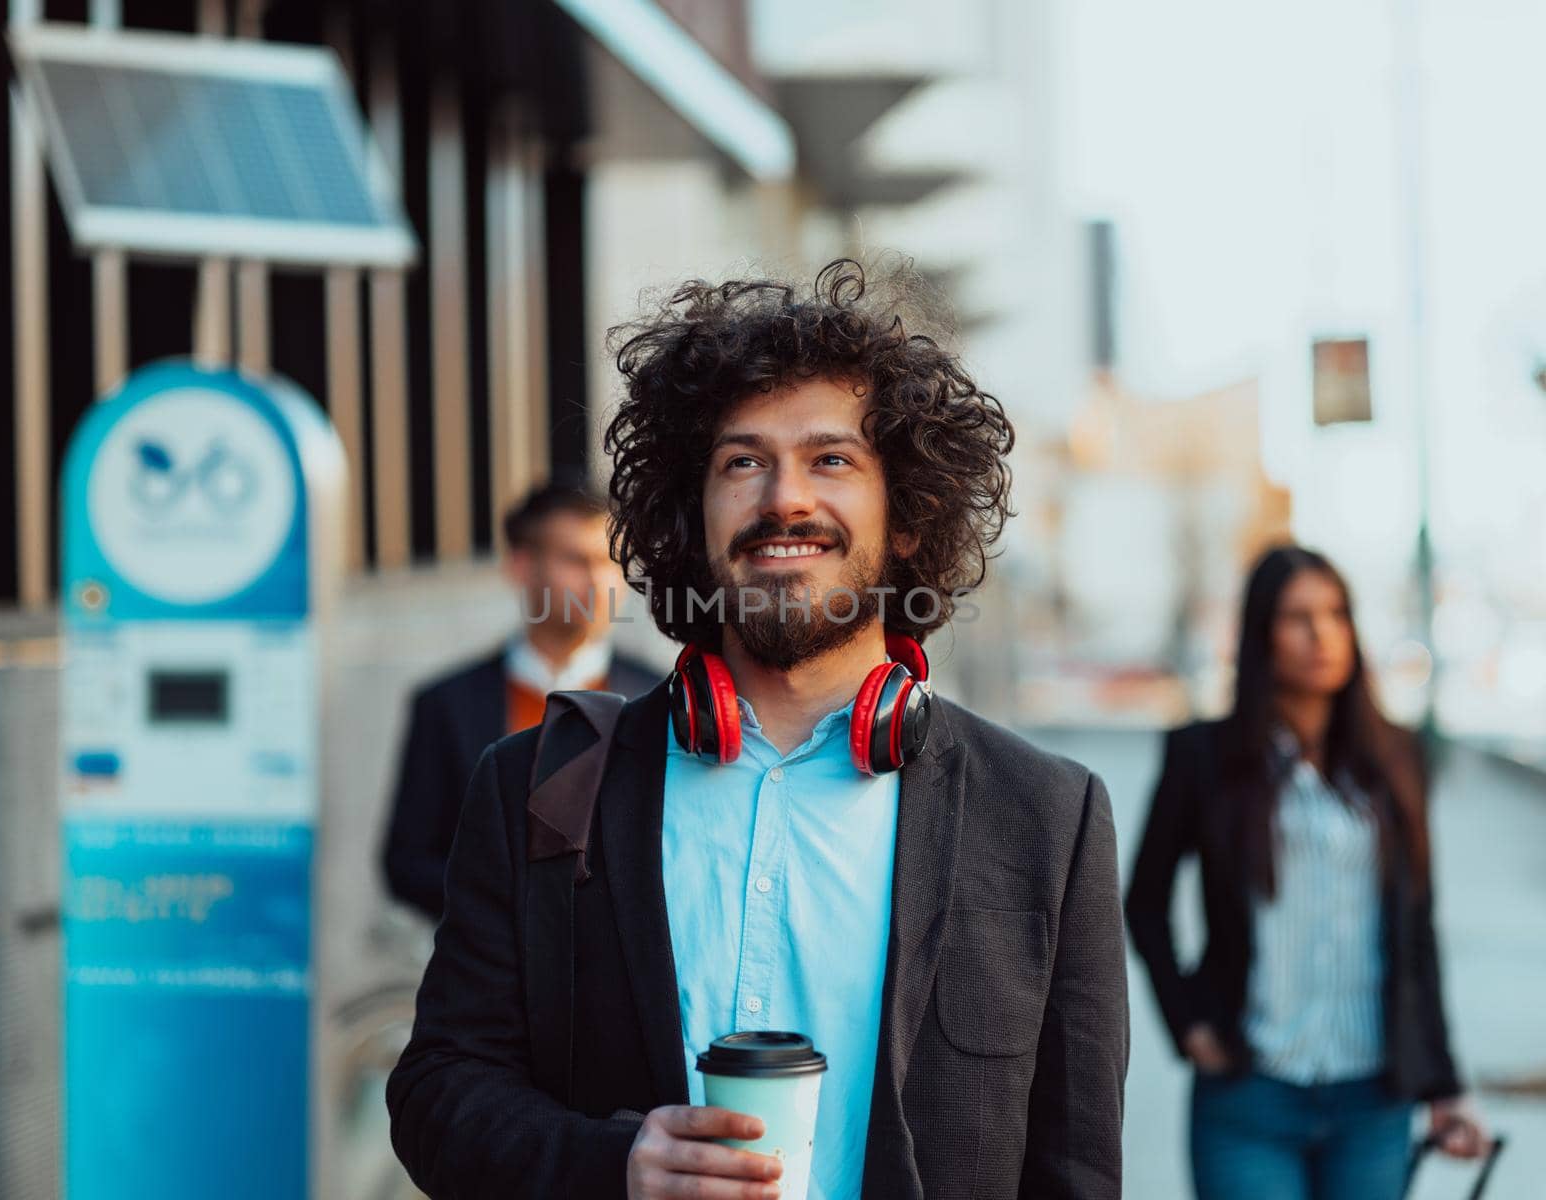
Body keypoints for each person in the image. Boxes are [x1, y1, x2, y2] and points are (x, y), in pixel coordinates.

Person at [386, 260, 1130, 1199]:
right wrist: (610, 1163)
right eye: (743, 462)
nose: (785, 499)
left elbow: (1076, 1175)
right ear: (690, 518)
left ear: (906, 518)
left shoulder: (1046, 818)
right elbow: (435, 1093)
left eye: (831, 459)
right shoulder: (536, 781)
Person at [1125, 545, 1491, 1200]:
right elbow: (1144, 901)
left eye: (1336, 614)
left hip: (1373, 1102)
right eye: (1298, 617)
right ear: (1262, 634)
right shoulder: (1203, 756)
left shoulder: (1397, 759)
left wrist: (1446, 1085)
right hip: (1249, 1097)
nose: (1322, 634)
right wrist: (1186, 1022)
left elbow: (1416, 933)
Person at [379, 480, 663, 922]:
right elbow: (407, 863)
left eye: (611, 561)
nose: (599, 581)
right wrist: (508, 906)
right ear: (522, 567)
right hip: (490, 973)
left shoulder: (658, 698)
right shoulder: (446, 704)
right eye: (576, 560)